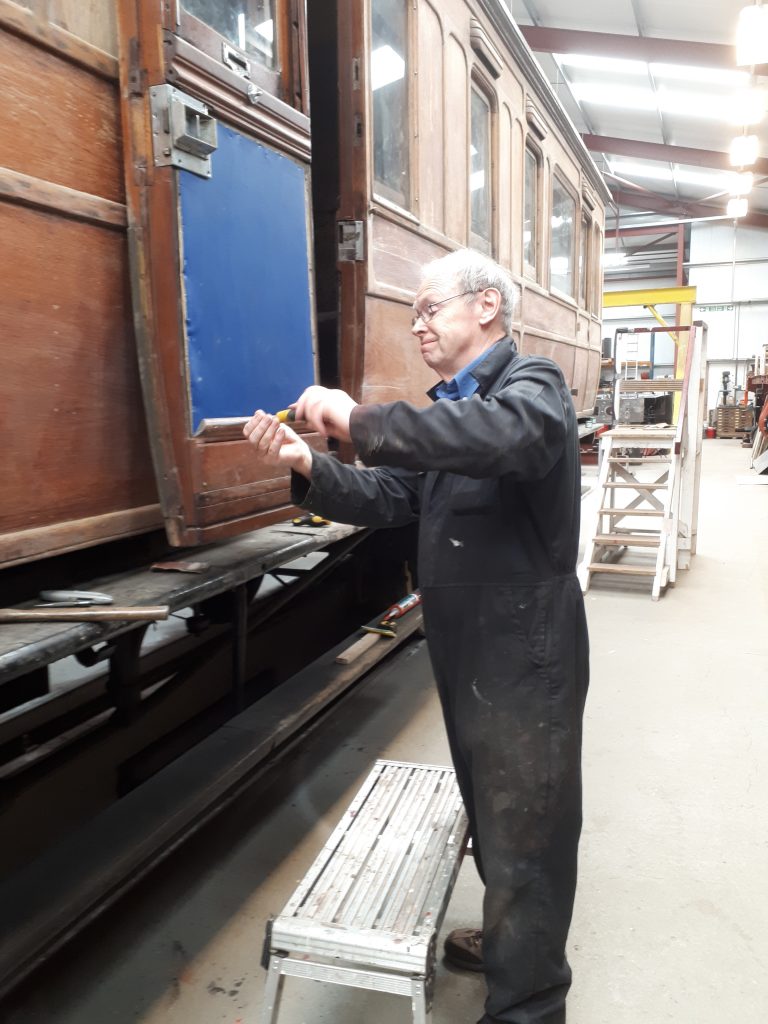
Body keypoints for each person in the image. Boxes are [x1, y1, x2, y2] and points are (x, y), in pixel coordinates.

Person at [244, 248, 589, 1024]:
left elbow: (504, 439)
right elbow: (389, 496)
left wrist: (355, 416)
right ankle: (511, 949)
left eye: (431, 308)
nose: (419, 325)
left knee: (527, 834)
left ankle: (529, 1006)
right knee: (495, 817)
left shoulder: (531, 390)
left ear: (487, 307)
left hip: (524, 655)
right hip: (472, 653)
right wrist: (308, 460)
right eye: (416, 315)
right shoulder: (452, 415)